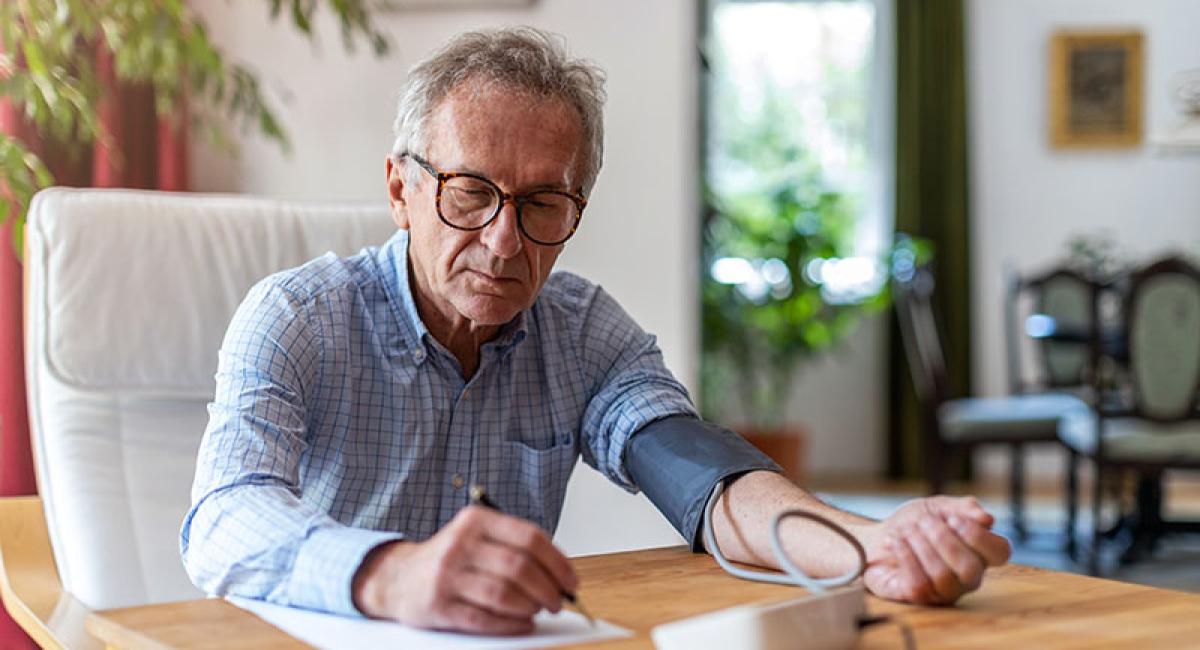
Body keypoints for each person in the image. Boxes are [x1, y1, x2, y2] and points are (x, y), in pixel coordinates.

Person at [181, 26, 1010, 635]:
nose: (505, 242)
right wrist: (393, 574)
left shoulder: (580, 332)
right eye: (470, 192)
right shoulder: (295, 317)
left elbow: (703, 478)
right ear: (400, 188)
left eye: (543, 203)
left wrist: (872, 546)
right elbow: (224, 517)